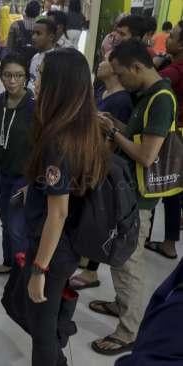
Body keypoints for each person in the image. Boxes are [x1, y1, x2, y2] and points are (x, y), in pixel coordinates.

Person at [22, 47, 109, 366]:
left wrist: (38, 270)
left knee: (41, 333)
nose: (35, 81)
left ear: (57, 85)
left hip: (53, 250)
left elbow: (57, 213)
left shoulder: (58, 141)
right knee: (47, 320)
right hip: (70, 245)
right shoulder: (84, 128)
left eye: (41, 75)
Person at [92, 39, 176, 356]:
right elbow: (138, 135)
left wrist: (113, 134)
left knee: (128, 261)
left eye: (120, 73)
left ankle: (129, 331)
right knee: (120, 256)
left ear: (137, 67)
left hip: (138, 199)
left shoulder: (161, 99)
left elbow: (146, 155)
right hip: (128, 193)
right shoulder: (148, 95)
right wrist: (116, 124)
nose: (119, 80)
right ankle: (120, 304)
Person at [68, 59, 133, 291]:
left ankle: (91, 270)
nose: (101, 63)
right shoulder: (100, 90)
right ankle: (86, 258)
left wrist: (97, 162)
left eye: (107, 60)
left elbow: (114, 137)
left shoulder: (122, 100)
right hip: (88, 156)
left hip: (101, 164)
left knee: (98, 216)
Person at [0, 53, 34, 276]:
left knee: (17, 226)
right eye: (7, 75)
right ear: (0, 76)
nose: (12, 81)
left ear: (26, 77)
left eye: (18, 75)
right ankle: (9, 262)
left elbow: (42, 145)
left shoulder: (34, 106)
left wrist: (33, 180)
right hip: (1, 171)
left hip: (24, 176)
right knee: (6, 221)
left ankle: (22, 272)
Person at [144, 21, 183, 260]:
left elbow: (151, 84)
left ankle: (165, 243)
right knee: (173, 188)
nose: (166, 39)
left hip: (172, 135)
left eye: (172, 37)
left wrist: (155, 66)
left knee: (162, 186)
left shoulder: (173, 72)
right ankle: (168, 241)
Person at [27, 18, 57, 92]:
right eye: (33, 33)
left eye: (38, 33)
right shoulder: (35, 57)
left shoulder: (55, 60)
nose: (33, 37)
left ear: (51, 37)